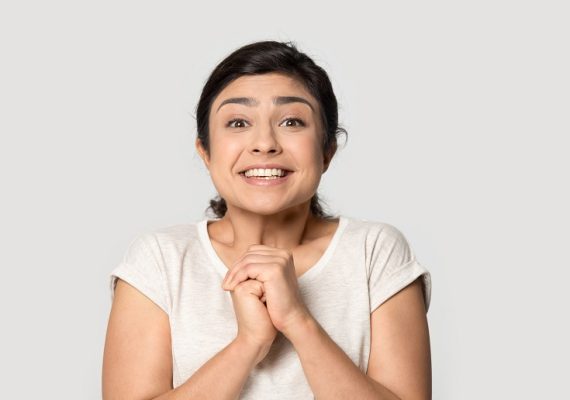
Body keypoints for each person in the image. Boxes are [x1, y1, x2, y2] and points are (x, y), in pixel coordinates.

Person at [102, 40, 432, 400]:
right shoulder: (159, 260)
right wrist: (248, 344)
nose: (264, 143)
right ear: (205, 152)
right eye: (238, 122)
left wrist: (297, 320)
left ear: (326, 151)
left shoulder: (375, 252)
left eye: (292, 121)